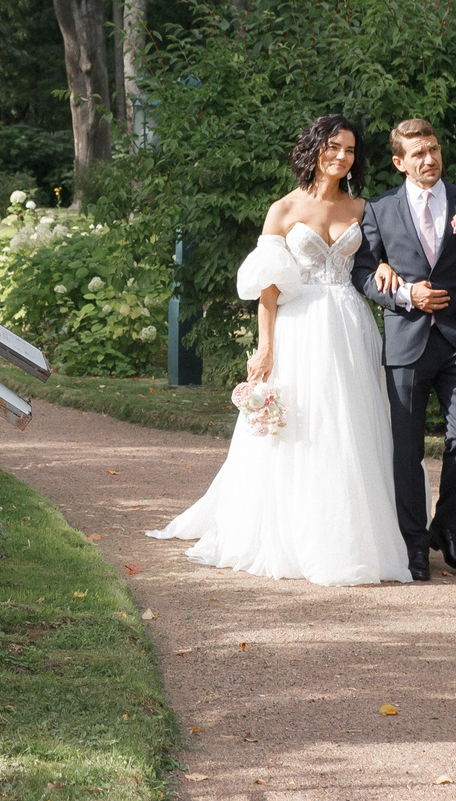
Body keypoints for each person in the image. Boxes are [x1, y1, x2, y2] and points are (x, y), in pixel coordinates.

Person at [146, 115, 414, 586]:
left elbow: (375, 259)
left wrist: (389, 264)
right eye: (333, 146)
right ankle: (298, 532)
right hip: (300, 327)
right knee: (303, 425)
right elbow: (267, 287)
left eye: (350, 150)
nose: (341, 156)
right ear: (315, 148)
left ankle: (357, 535)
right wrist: (265, 346)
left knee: (352, 425)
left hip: (352, 327)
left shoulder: (362, 207)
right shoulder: (283, 210)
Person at [354, 118, 456, 582]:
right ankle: (414, 545)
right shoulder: (379, 210)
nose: (429, 159)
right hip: (406, 342)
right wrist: (405, 296)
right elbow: (361, 274)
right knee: (406, 449)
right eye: (417, 154)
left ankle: (447, 530)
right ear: (399, 162)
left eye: (433, 149)